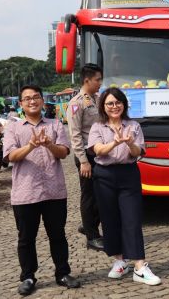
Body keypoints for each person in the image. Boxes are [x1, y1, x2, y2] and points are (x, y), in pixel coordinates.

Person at [3, 85, 80, 296]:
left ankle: (62, 273)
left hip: (54, 191)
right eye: (27, 99)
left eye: (36, 97)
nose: (32, 101)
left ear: (42, 101)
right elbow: (10, 156)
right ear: (21, 104)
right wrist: (30, 146)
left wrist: (48, 145)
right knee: (26, 238)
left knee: (58, 235)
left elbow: (63, 152)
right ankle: (28, 276)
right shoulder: (13, 128)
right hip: (25, 193)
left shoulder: (55, 125)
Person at [88, 87, 161, 286]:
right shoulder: (97, 127)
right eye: (110, 103)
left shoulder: (134, 126)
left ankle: (139, 266)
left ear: (124, 104)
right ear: (103, 106)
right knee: (110, 220)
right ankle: (120, 261)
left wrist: (129, 143)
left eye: (118, 102)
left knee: (132, 219)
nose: (114, 106)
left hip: (128, 174)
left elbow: (138, 152)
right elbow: (97, 151)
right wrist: (114, 142)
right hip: (104, 176)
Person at [67, 63, 105, 251]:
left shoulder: (98, 99)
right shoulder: (76, 103)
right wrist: (83, 161)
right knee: (89, 196)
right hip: (86, 157)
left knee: (101, 194)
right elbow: (74, 135)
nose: (100, 83)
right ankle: (92, 236)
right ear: (87, 80)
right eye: (97, 79)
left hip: (99, 154)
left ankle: (87, 223)